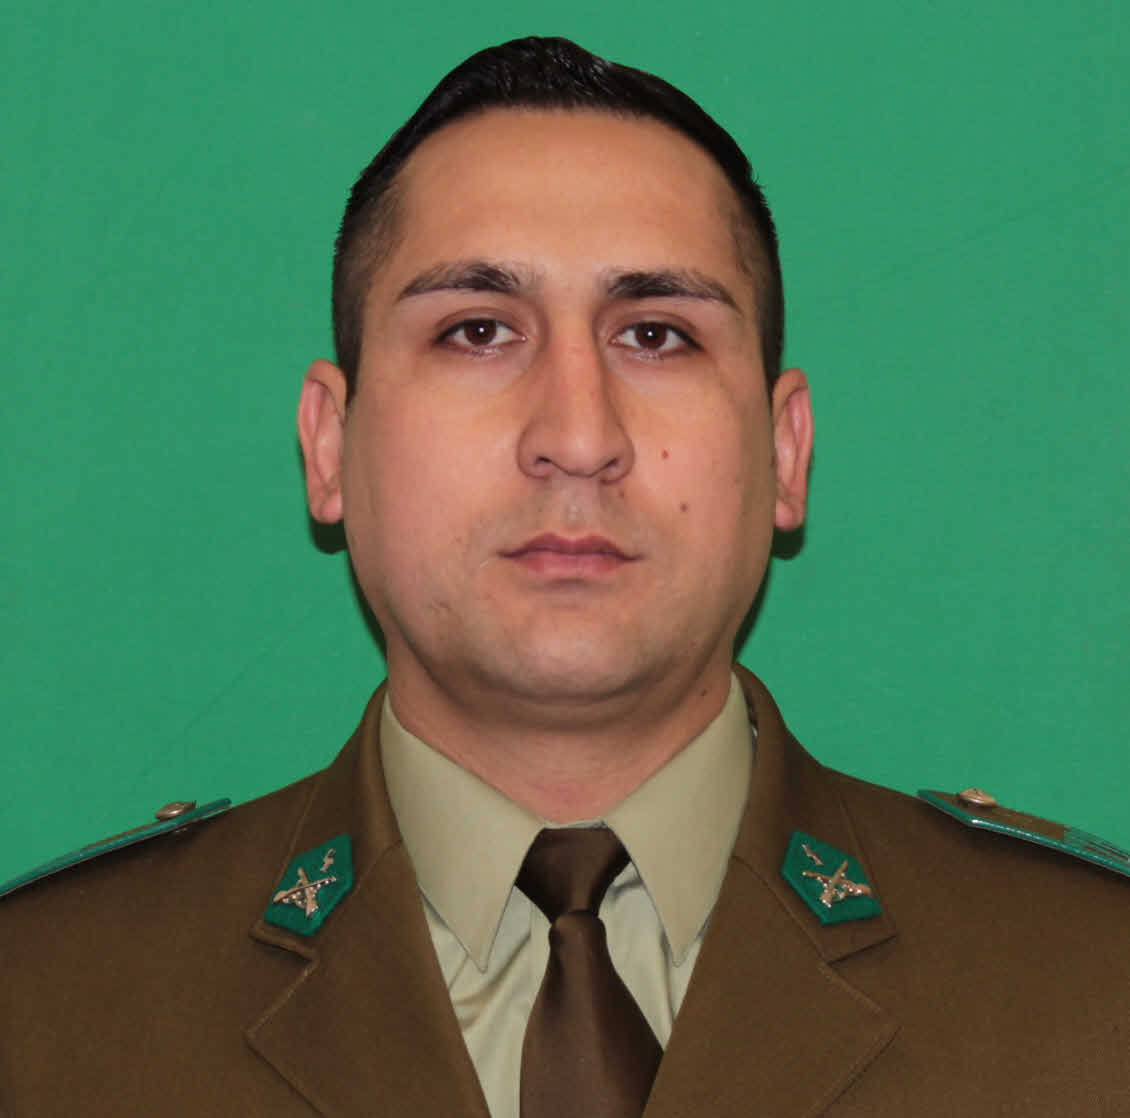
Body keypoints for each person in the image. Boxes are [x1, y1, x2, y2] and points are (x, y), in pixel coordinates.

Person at [1, 36, 1128, 1118]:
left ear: (785, 453)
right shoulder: (48, 1008)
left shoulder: (1089, 982)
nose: (578, 437)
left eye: (657, 335)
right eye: (477, 330)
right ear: (330, 445)